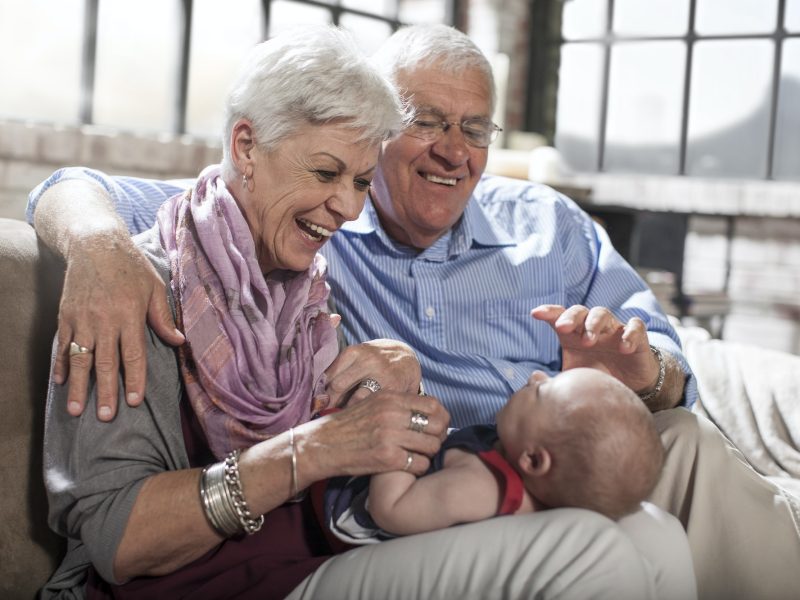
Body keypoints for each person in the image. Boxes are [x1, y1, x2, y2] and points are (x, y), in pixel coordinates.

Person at [34, 22, 800, 600]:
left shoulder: (307, 286)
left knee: (658, 521)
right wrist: (97, 245)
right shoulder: (171, 267)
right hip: (299, 551)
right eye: (427, 123)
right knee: (594, 550)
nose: (343, 205)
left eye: (357, 182)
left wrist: (645, 373)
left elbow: (666, 369)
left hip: (467, 490)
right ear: (245, 147)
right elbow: (119, 534)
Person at [326, 368, 663, 544]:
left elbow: (388, 511)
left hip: (349, 504)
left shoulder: (480, 487)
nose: (535, 375)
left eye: (541, 391)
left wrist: (407, 427)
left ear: (533, 460)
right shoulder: (514, 454)